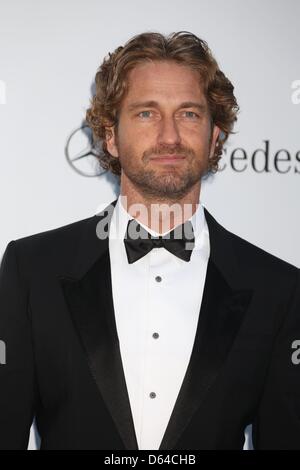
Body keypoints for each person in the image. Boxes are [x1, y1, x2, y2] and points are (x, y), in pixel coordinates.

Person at [0, 31, 299, 450]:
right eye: (146, 113)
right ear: (109, 135)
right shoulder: (32, 269)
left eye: (190, 114)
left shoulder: (278, 290)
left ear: (215, 137)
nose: (170, 136)